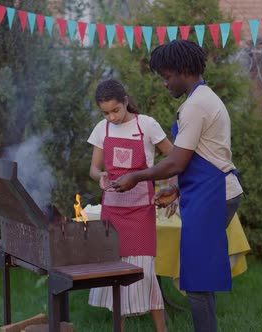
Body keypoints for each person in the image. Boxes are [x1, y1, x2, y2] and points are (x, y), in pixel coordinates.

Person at [110, 40, 244, 332]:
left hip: (214, 195)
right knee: (200, 281)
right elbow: (205, 155)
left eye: (167, 76)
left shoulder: (196, 105)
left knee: (197, 282)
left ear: (184, 70)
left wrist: (136, 176)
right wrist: (178, 189)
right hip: (207, 192)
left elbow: (176, 162)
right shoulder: (201, 100)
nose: (164, 83)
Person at [87, 79, 172, 332]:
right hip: (112, 210)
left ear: (125, 101)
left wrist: (171, 185)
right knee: (115, 272)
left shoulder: (146, 125)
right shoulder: (101, 129)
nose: (111, 117)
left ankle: (162, 330)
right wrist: (99, 176)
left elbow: (174, 158)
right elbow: (93, 168)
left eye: (115, 110)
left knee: (146, 271)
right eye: (105, 112)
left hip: (141, 210)